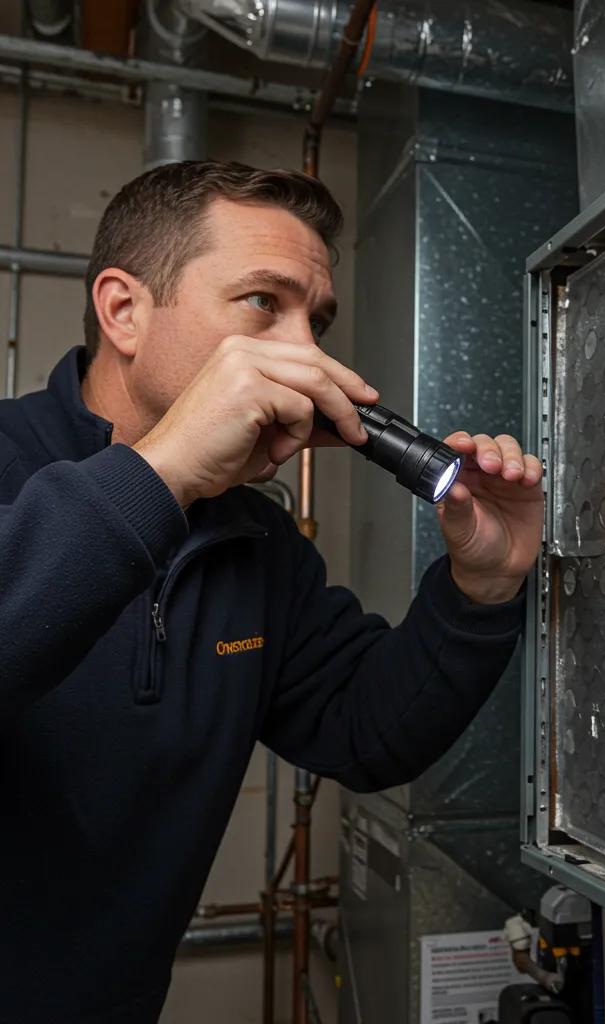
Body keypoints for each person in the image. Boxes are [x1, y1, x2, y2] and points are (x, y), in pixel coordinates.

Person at [0, 161, 543, 1023]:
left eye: (316, 321)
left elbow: (367, 733)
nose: (305, 353)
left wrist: (479, 586)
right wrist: (163, 472)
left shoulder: (255, 541)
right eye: (263, 303)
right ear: (124, 311)